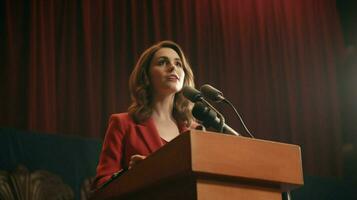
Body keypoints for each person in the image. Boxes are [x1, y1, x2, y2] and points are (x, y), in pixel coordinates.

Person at [92, 40, 198, 190]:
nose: (173, 67)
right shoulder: (122, 123)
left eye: (178, 64)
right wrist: (137, 174)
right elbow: (101, 185)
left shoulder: (195, 131)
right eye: (162, 62)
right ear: (146, 75)